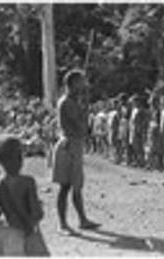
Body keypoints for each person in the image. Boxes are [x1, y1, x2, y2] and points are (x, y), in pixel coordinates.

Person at [52, 70, 100, 234]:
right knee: (66, 186)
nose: (85, 84)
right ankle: (63, 224)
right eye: (81, 81)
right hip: (70, 145)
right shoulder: (67, 102)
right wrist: (85, 107)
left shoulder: (72, 101)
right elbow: (81, 126)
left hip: (74, 145)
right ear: (72, 84)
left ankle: (82, 220)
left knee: (77, 186)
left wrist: (83, 106)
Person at [0, 135, 48, 256]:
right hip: (22, 235)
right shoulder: (27, 182)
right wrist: (40, 208)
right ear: (19, 158)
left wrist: (2, 210)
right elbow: (36, 213)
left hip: (1, 235)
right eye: (21, 155)